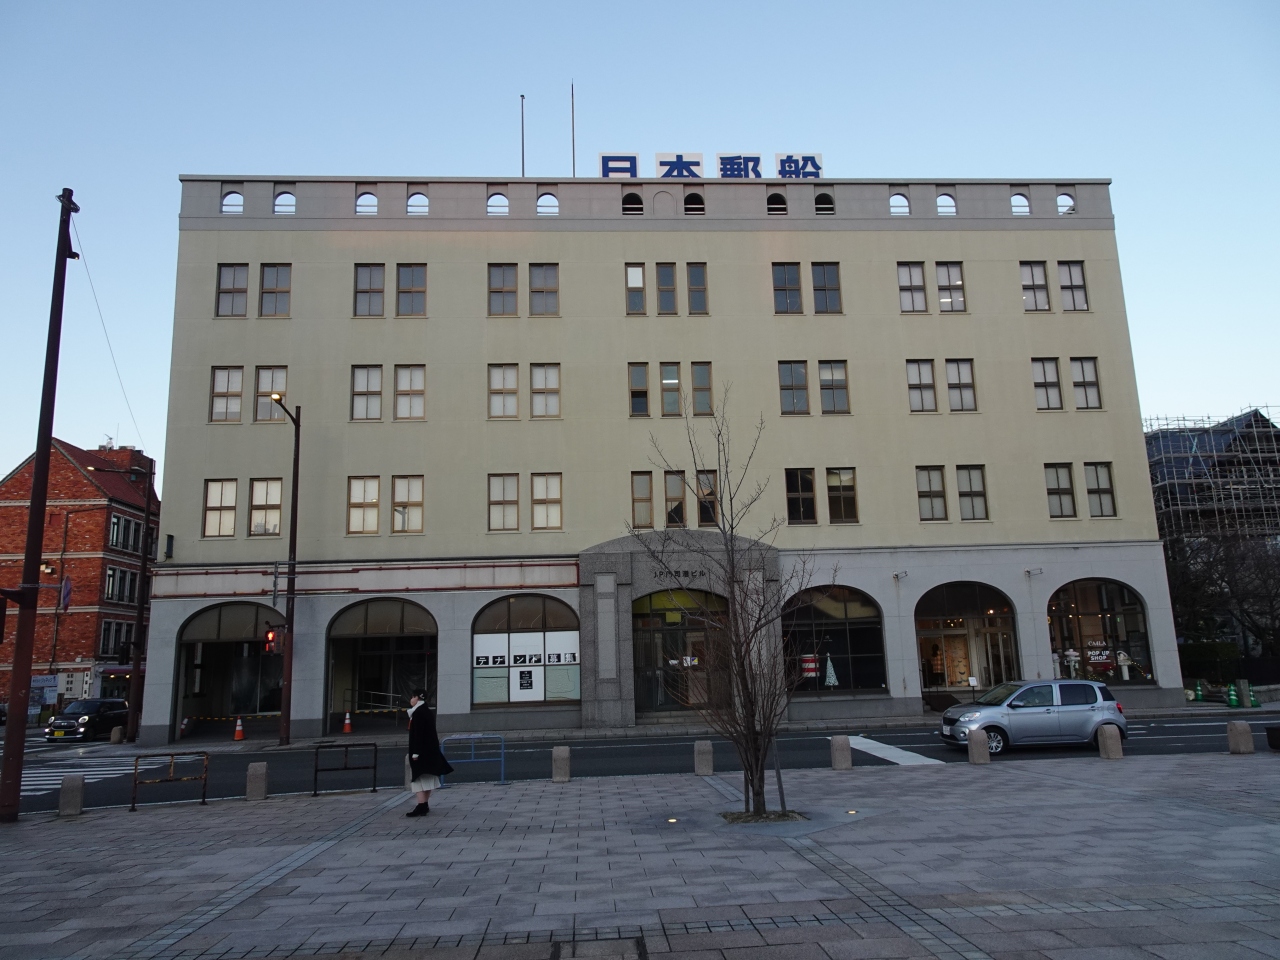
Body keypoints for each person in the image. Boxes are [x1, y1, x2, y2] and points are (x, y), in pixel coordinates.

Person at [405, 689, 452, 817]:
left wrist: (415, 753)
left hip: (421, 753)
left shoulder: (418, 713)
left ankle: (421, 806)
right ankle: (424, 804)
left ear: (417, 698)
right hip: (430, 751)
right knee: (428, 779)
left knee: (418, 779)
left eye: (412, 697)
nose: (411, 700)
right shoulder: (426, 711)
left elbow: (418, 734)